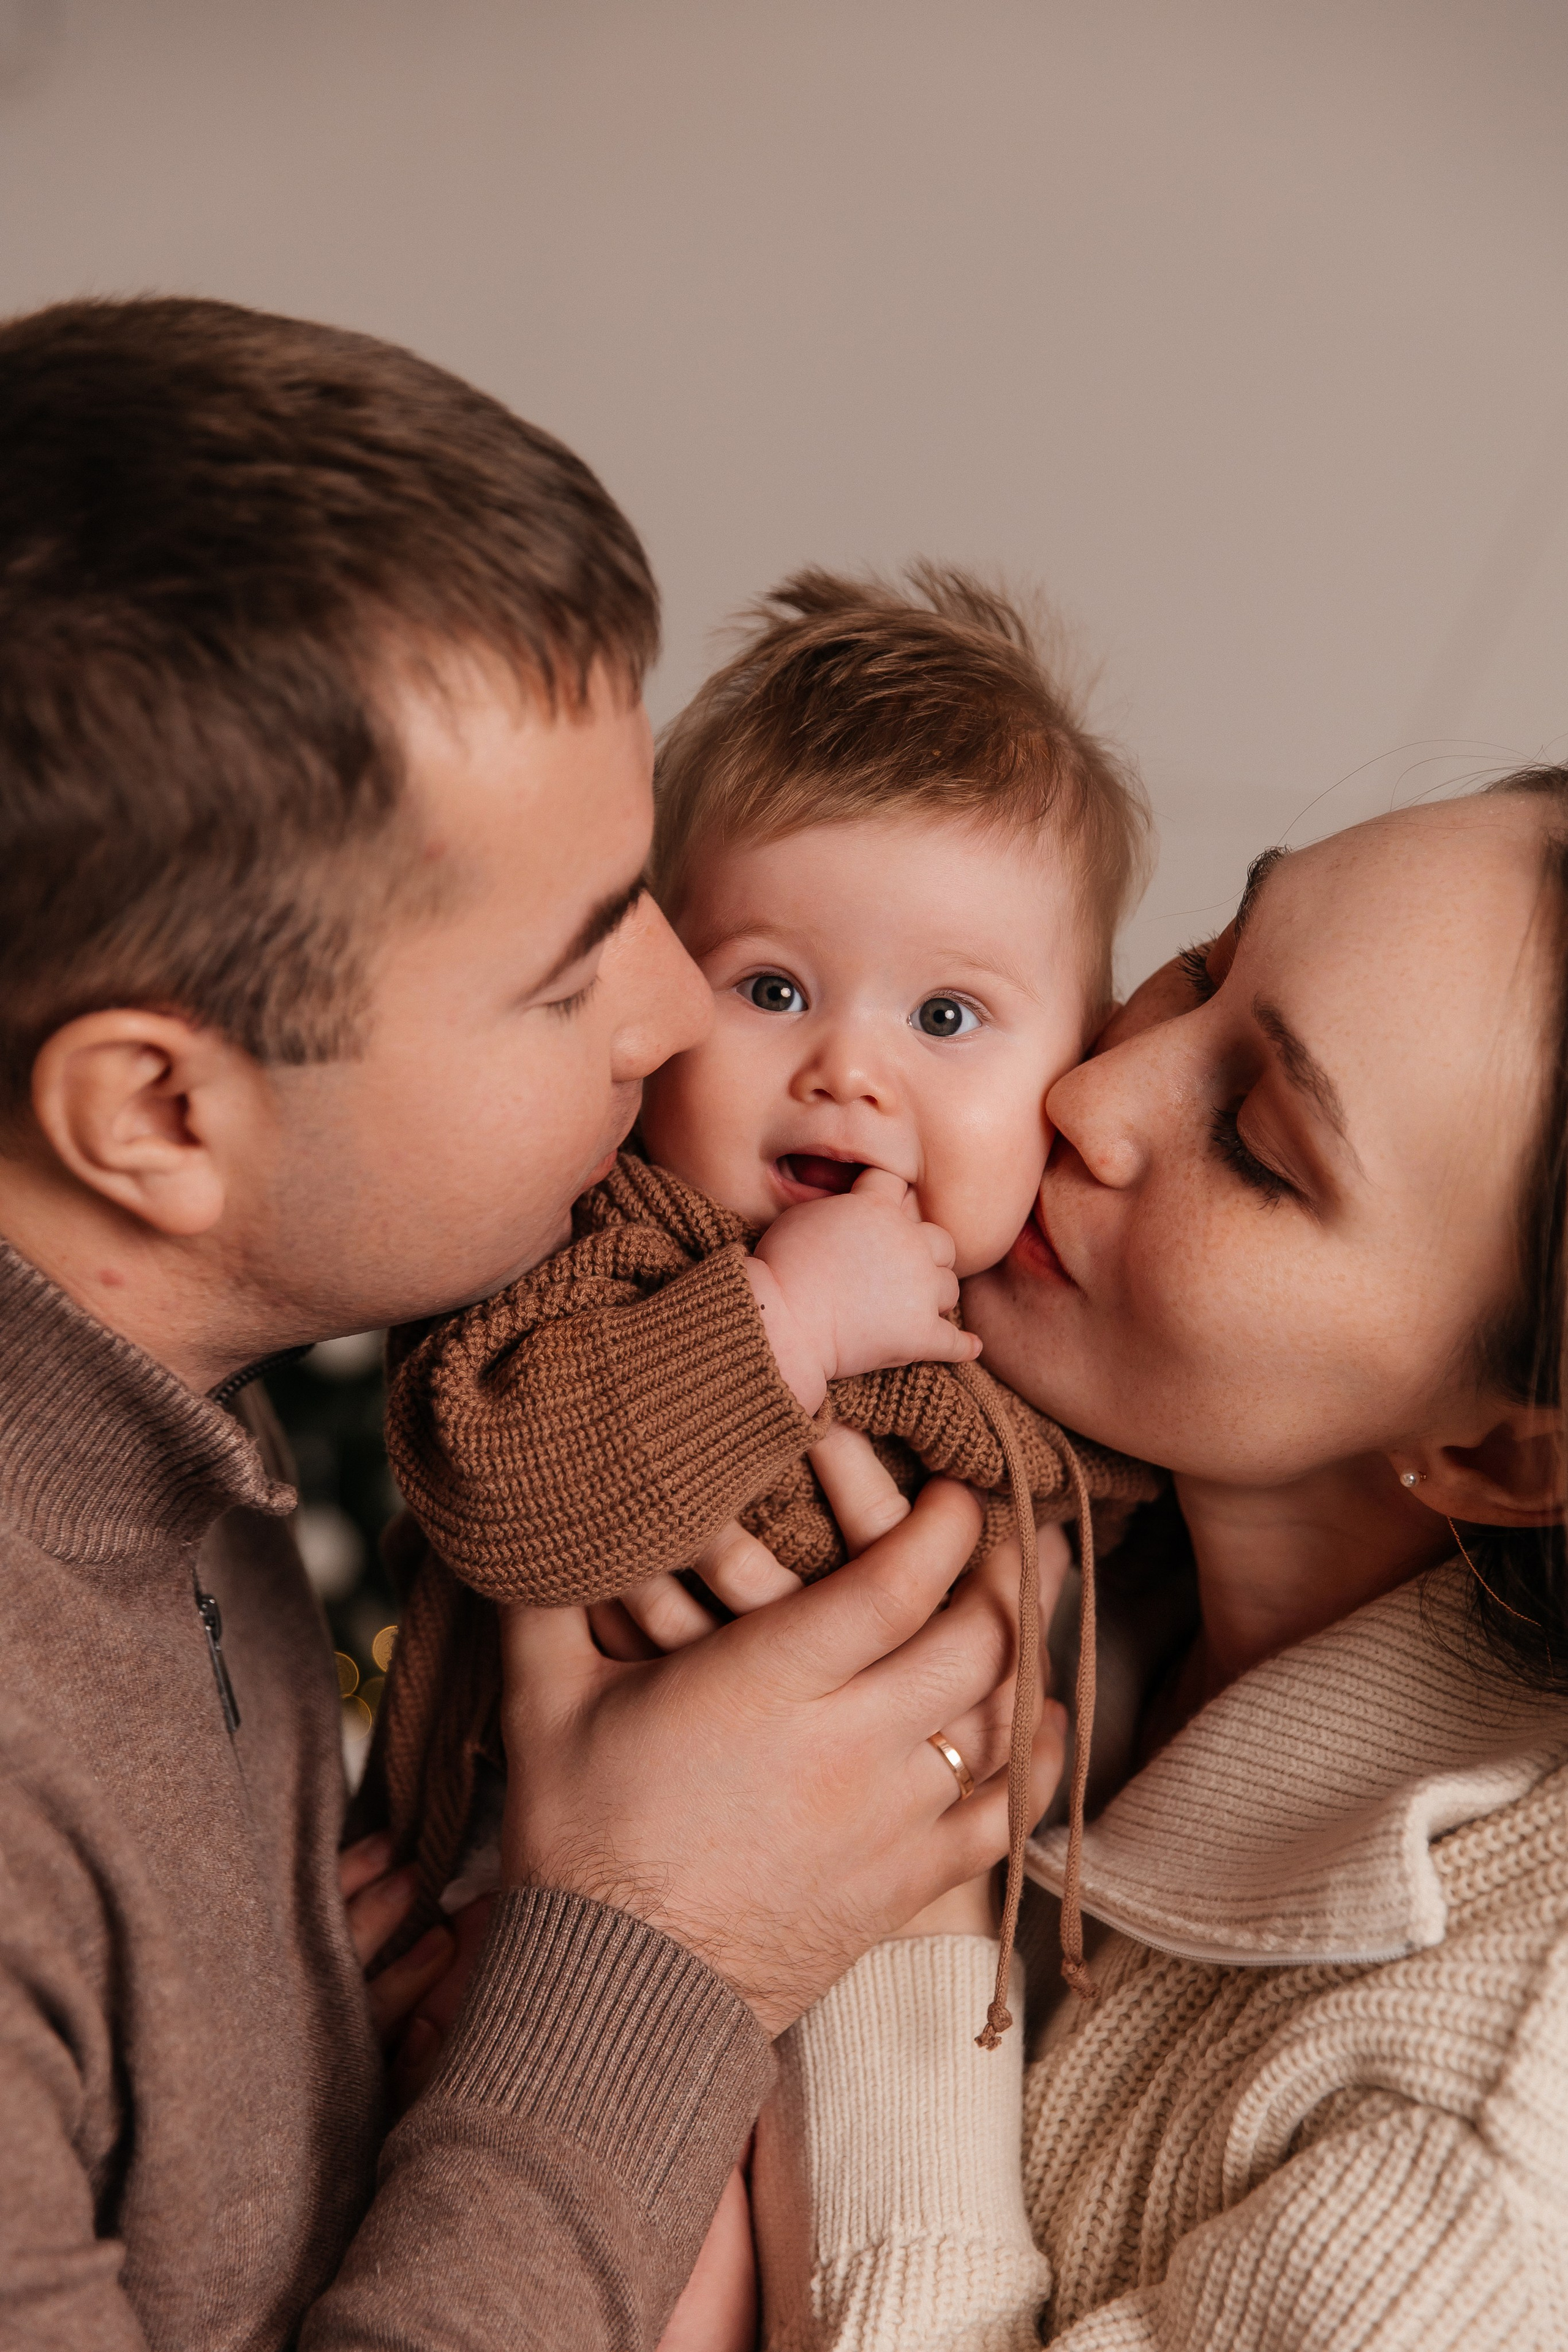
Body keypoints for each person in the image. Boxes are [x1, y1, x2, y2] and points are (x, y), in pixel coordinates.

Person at [0, 295, 1061, 2350]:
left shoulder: (154, 1461)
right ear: (156, 1115)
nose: (679, 1018)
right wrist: (655, 1952)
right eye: (576, 971)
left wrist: (292, 2058)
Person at [366, 565, 1155, 2346]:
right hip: (559, 1954)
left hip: (887, 2003)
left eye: (948, 1021)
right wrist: (785, 1323)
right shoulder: (609, 1258)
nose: (851, 1076)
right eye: (775, 987)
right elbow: (495, 1480)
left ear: (1074, 1068)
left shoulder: (1028, 1351)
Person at [725, 778, 1568, 2348]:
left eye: (1254, 1145)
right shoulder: (967, 1455)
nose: (1091, 1096)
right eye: (1202, 960)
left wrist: (896, 1922)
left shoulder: (1502, 2155)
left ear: (1500, 1456)